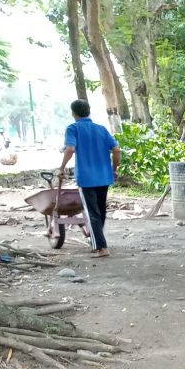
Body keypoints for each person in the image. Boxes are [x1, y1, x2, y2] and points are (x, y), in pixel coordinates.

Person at [60, 99, 120, 258]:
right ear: (89, 111)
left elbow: (70, 149)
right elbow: (116, 149)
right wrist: (114, 169)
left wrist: (62, 167)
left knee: (92, 212)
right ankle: (99, 242)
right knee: (100, 211)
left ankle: (101, 247)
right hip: (104, 176)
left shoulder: (73, 128)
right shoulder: (101, 129)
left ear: (74, 113)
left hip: (86, 178)